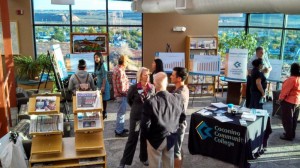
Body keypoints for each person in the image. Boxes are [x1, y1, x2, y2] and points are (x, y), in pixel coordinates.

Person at [141, 72, 186, 168]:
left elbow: (145, 126)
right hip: (171, 136)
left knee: (154, 165)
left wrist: (148, 139)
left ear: (154, 84)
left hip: (155, 139)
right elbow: (182, 118)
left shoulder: (150, 102)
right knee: (169, 164)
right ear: (166, 83)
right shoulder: (178, 98)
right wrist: (173, 129)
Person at [119, 67, 155, 168]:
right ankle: (124, 161)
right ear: (140, 76)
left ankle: (143, 158)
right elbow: (129, 100)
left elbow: (153, 101)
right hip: (137, 119)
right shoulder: (134, 88)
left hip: (147, 118)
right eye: (145, 75)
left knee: (144, 139)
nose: (147, 77)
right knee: (132, 138)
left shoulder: (151, 88)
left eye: (148, 75)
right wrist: (137, 108)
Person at [170, 67, 189, 168]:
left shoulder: (179, 94)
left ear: (179, 79)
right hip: (180, 124)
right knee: (178, 148)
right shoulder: (184, 88)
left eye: (173, 75)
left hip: (178, 125)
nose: (170, 76)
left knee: (176, 152)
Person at [277, 63, 300, 141]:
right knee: (294, 120)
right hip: (297, 102)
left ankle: (288, 135)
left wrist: (280, 99)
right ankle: (291, 134)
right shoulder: (299, 78)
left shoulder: (291, 79)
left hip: (288, 102)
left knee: (287, 119)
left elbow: (284, 91)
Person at [112, 55, 130, 137]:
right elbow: (121, 87)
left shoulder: (116, 68)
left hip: (118, 95)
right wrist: (127, 92)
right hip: (121, 95)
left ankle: (120, 128)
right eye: (127, 61)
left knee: (120, 113)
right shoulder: (120, 71)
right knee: (121, 114)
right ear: (124, 62)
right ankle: (119, 131)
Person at [94, 52, 110, 120]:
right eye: (95, 57)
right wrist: (96, 78)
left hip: (104, 85)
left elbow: (104, 77)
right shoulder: (97, 65)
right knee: (100, 99)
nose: (96, 59)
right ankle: (101, 113)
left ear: (100, 57)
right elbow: (99, 75)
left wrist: (103, 86)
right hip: (98, 84)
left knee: (104, 100)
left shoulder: (103, 65)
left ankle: (104, 113)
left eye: (97, 57)